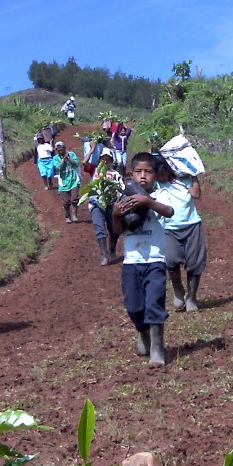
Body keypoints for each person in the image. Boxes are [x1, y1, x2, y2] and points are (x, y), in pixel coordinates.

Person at [113, 152, 174, 367]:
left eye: (148, 172)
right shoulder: (123, 198)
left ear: (156, 175)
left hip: (155, 260)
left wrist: (147, 201)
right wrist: (115, 214)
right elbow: (119, 231)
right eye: (138, 172)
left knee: (154, 303)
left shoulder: (160, 195)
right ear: (131, 174)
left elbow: (168, 211)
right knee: (134, 307)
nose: (143, 176)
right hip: (131, 261)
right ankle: (143, 333)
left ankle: (157, 349)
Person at [155, 156, 207, 312]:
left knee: (195, 264)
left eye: (163, 174)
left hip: (191, 226)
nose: (161, 177)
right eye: (158, 175)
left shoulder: (182, 180)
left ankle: (191, 297)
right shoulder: (155, 185)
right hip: (169, 229)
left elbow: (196, 194)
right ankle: (178, 291)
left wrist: (194, 174)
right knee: (170, 261)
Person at [85, 147, 123, 265]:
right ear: (100, 159)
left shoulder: (115, 174)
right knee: (100, 229)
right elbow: (84, 163)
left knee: (114, 230)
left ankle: (112, 252)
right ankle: (104, 255)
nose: (105, 161)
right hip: (96, 203)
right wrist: (91, 149)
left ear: (111, 160)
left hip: (111, 205)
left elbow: (121, 189)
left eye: (108, 159)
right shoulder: (95, 171)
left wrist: (118, 198)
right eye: (103, 159)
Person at [53, 140, 81, 223]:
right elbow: (59, 168)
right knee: (66, 202)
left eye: (62, 149)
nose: (61, 152)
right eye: (59, 150)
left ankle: (74, 215)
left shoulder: (71, 154)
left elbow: (76, 164)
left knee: (74, 199)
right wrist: (63, 160)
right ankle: (67, 216)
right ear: (56, 151)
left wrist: (68, 157)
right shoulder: (55, 158)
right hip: (63, 182)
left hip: (74, 180)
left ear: (65, 148)